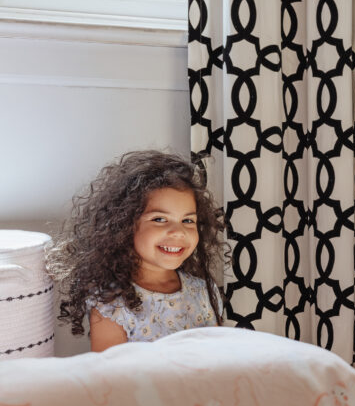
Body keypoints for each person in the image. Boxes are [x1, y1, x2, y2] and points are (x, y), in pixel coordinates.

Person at [48, 150, 226, 352]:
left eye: (188, 220)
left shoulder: (203, 291)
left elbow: (218, 359)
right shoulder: (113, 305)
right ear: (125, 226)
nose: (178, 232)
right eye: (159, 219)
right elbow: (111, 377)